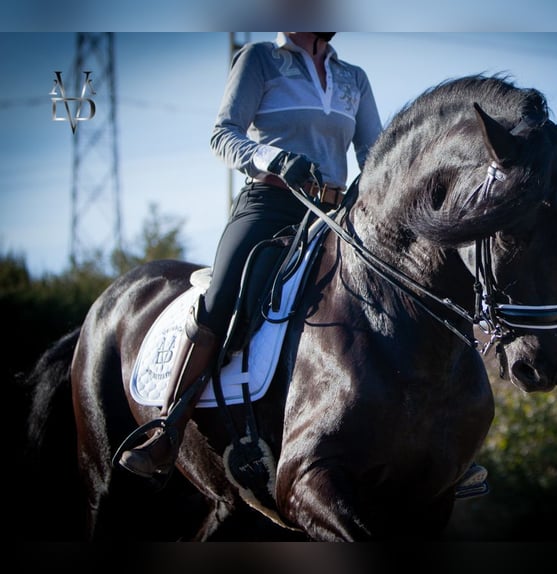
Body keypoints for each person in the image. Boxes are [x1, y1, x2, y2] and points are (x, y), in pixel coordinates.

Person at [118, 32, 488, 499]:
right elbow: (222, 134)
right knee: (225, 296)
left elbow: (377, 157)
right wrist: (271, 158)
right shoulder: (259, 60)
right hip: (271, 204)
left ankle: (442, 447)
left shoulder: (353, 78)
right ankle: (168, 428)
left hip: (338, 215)